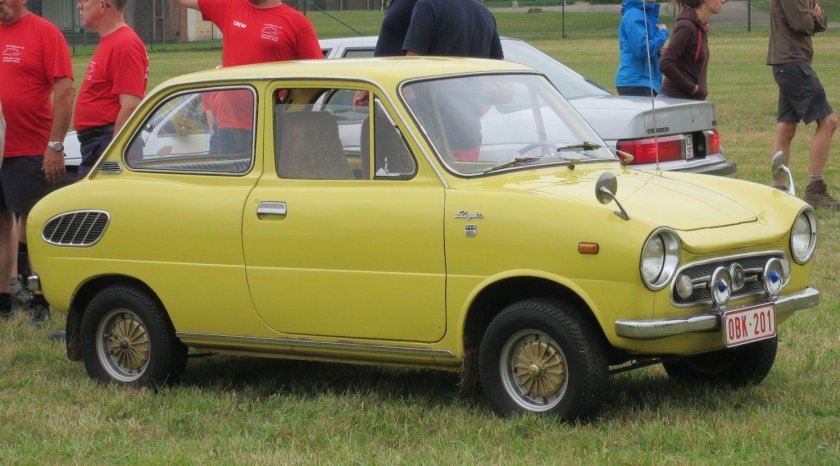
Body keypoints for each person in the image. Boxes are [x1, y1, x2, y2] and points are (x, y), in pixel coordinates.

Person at [0, 0, 74, 323]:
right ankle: (4, 298)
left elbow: (65, 89)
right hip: (0, 147)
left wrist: (54, 144)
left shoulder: (45, 33)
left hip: (30, 146)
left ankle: (41, 300)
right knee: (2, 224)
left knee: (34, 222)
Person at [767, 0, 839, 208]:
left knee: (787, 126)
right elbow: (801, 22)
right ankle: (815, 189)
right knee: (829, 122)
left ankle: (778, 189)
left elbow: (822, 20)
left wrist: (814, 16)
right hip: (791, 62)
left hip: (789, 62)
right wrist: (814, 16)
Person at [74, 0, 149, 179]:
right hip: (99, 142)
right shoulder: (113, 40)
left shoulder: (124, 44)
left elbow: (130, 106)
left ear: (102, 5)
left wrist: (112, 155)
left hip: (106, 142)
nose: (79, 6)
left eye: (84, 1)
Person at [171, 0, 323, 67]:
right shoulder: (231, 5)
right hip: (227, 126)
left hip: (273, 123)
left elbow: (316, 74)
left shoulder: (297, 22)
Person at [658, 0, 725, 100]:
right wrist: (692, 88)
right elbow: (666, 64)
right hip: (674, 101)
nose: (723, 1)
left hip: (688, 101)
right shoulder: (686, 27)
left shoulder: (699, 27)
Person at [615, 0, 669, 97]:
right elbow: (643, 49)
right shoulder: (634, 15)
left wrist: (661, 49)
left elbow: (649, 45)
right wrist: (662, 34)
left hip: (645, 82)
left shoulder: (647, 13)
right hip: (636, 83)